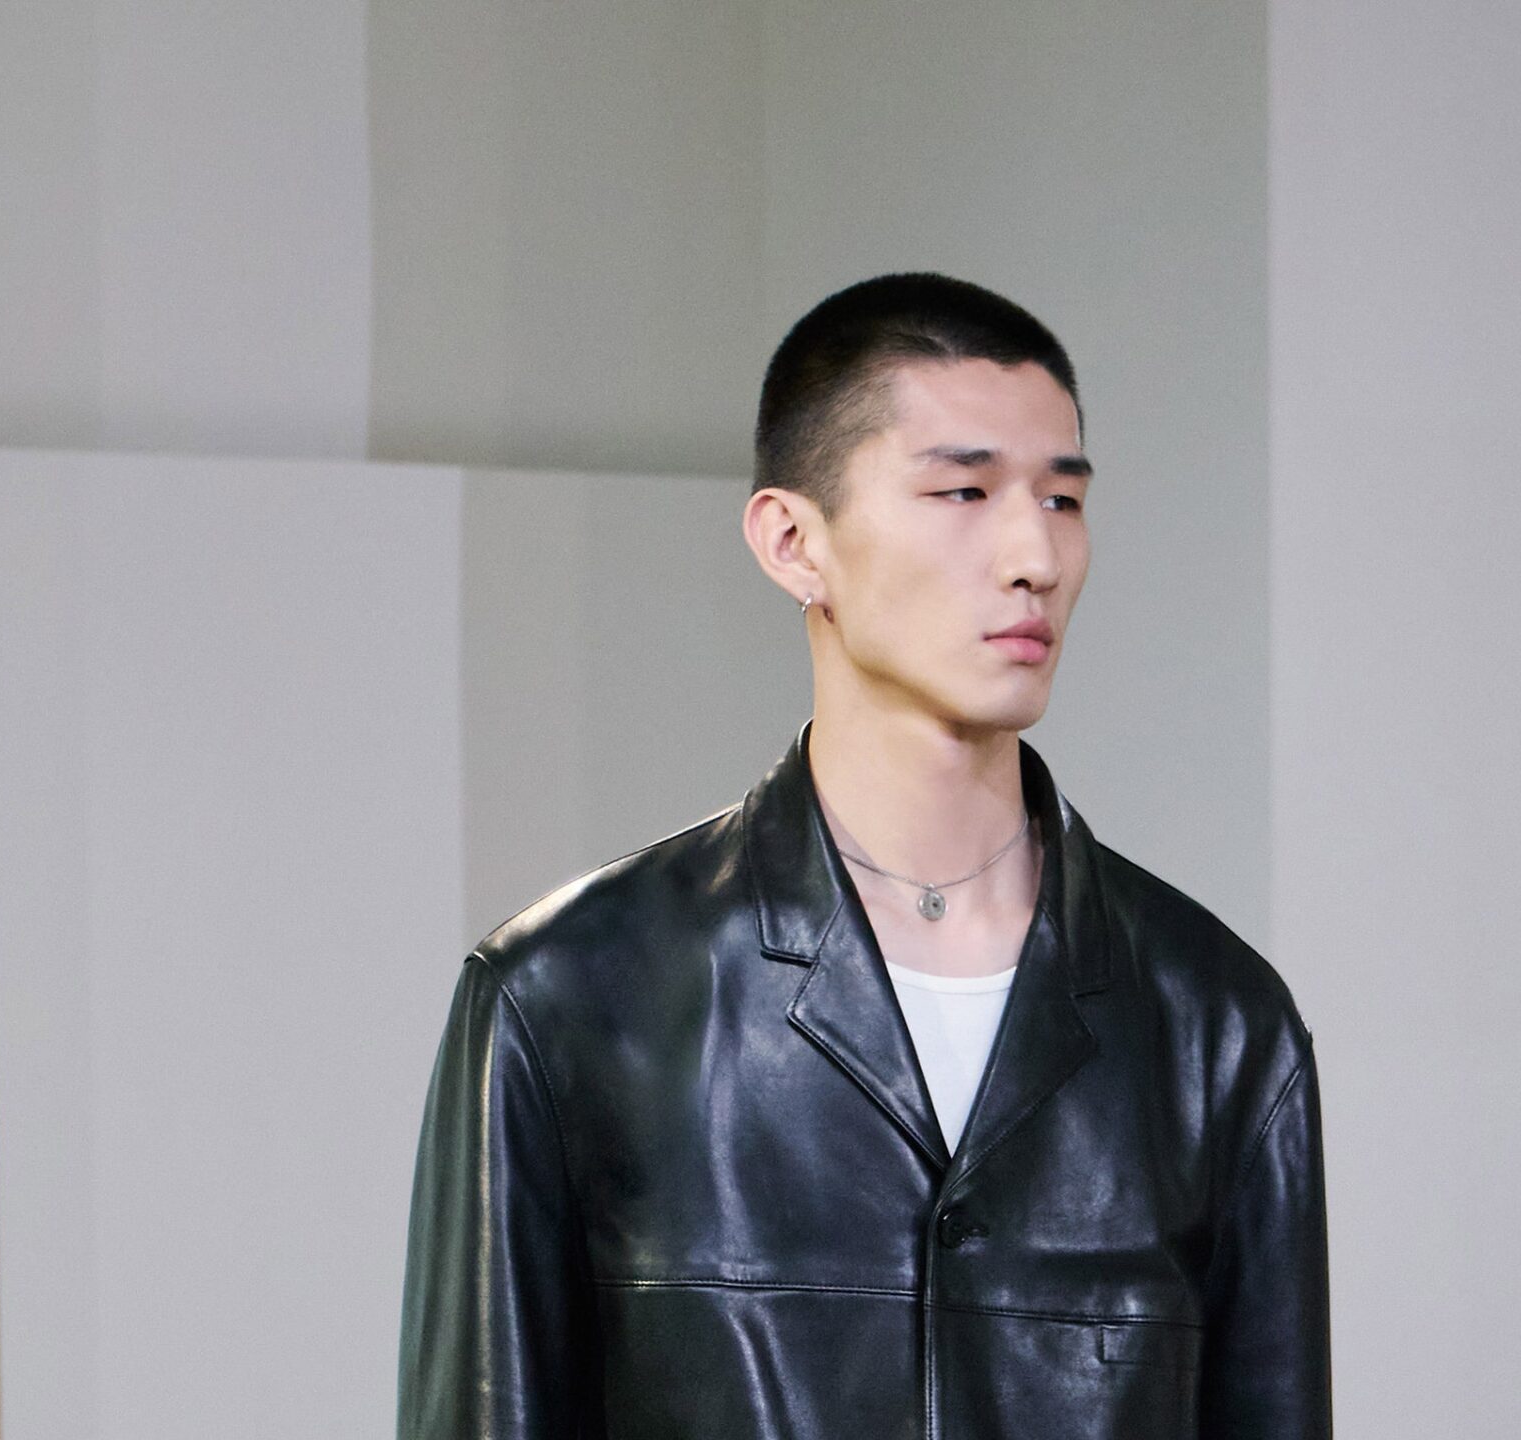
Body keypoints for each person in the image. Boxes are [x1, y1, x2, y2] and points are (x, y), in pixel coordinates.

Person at [396, 273, 1328, 1439]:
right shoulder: (572, 997)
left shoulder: (1215, 1021)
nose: (1034, 554)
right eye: (962, 491)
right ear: (794, 541)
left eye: (1062, 499)